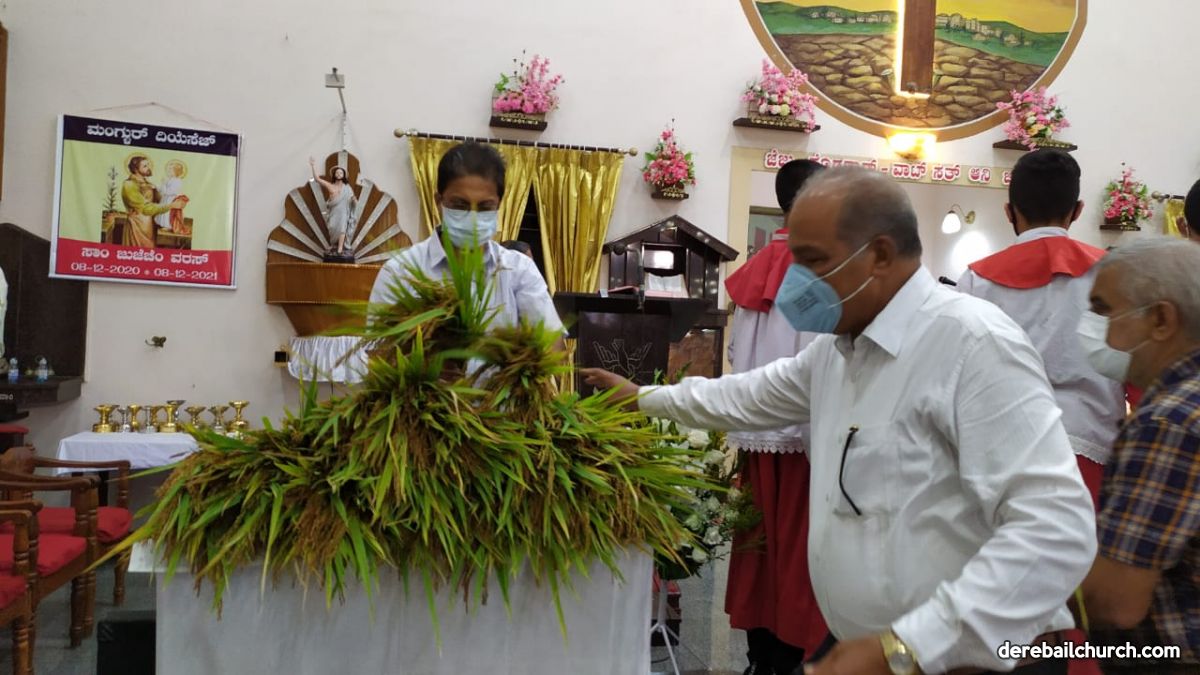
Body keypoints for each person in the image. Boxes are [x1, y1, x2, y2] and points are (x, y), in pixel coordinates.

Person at [583, 167, 1096, 675]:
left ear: (879, 255)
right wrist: (643, 398)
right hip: (870, 645)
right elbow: (751, 394)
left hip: (957, 660)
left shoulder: (972, 343)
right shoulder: (837, 350)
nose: (795, 282)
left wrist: (908, 648)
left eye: (813, 261)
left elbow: (1056, 528)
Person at [958, 149, 1124, 508]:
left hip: (1001, 448)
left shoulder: (975, 280)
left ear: (1009, 211)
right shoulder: (1115, 275)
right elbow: (1137, 367)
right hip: (1091, 445)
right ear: (1077, 210)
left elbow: (955, 373)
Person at [721, 159, 827, 675]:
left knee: (759, 552)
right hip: (806, 443)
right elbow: (823, 361)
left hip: (756, 431)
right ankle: (793, 657)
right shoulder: (822, 271)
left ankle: (760, 657)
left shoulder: (759, 264)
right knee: (800, 555)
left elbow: (736, 353)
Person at [1077, 237, 1200, 673]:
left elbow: (1116, 602)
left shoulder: (1167, 422)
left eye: (1103, 310)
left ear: (1161, 320)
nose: (1091, 328)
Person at [369, 142, 563, 344]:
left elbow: (553, 346)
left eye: (485, 207)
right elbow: (376, 350)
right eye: (460, 205)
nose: (472, 217)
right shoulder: (401, 271)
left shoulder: (519, 270)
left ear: (499, 205)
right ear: (439, 201)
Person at [121, 155, 185, 248]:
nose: (148, 168)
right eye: (145, 166)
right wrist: (171, 205)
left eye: (148, 165)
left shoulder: (148, 183)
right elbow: (145, 208)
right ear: (135, 169)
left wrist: (175, 198)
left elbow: (159, 201)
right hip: (137, 227)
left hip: (150, 225)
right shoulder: (129, 185)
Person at [310, 158, 357, 260]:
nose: (339, 174)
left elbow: (354, 202)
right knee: (332, 227)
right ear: (334, 174)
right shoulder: (330, 186)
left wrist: (353, 200)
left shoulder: (347, 188)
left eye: (341, 173)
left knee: (342, 228)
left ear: (344, 175)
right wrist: (313, 166)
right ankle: (334, 245)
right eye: (337, 173)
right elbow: (317, 179)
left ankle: (340, 248)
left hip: (344, 212)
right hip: (334, 212)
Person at [155, 159, 189, 235]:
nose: (168, 171)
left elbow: (168, 192)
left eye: (171, 169)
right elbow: (162, 190)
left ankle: (168, 226)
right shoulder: (170, 179)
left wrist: (163, 184)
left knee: (168, 213)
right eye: (168, 169)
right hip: (166, 199)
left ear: (176, 171)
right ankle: (162, 224)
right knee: (163, 211)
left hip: (171, 200)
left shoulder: (177, 181)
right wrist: (156, 186)